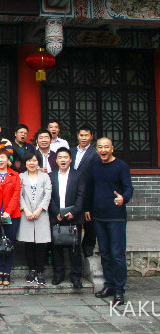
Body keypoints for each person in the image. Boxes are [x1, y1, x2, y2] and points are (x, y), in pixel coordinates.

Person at [92, 137, 133, 306]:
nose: (103, 150)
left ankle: (119, 289)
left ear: (112, 149)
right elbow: (90, 187)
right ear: (97, 150)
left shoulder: (121, 166)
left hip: (116, 216)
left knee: (117, 254)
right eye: (100, 147)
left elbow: (129, 188)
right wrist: (88, 209)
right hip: (98, 216)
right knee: (105, 253)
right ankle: (109, 285)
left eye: (106, 147)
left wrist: (123, 198)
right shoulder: (94, 165)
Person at [48, 147, 85, 288]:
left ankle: (76, 277)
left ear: (70, 159)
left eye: (65, 157)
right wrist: (56, 211)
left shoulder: (78, 175)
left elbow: (81, 195)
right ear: (56, 160)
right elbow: (49, 197)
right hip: (56, 217)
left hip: (73, 217)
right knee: (56, 247)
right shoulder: (51, 176)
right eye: (60, 157)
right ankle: (58, 274)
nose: (63, 160)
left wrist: (74, 212)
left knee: (74, 248)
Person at [17, 152, 52, 285]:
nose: (32, 163)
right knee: (29, 244)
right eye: (29, 161)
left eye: (34, 160)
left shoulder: (45, 177)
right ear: (25, 163)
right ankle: (31, 270)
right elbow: (19, 195)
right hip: (26, 213)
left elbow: (48, 194)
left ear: (38, 162)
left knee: (41, 245)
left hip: (41, 213)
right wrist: (25, 209)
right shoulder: (21, 177)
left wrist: (39, 210)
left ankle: (40, 271)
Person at [0, 149, 21, 286]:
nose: (0, 160)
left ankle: (7, 272)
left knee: (9, 244)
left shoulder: (15, 175)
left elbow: (16, 195)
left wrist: (7, 211)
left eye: (3, 157)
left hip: (12, 215)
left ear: (9, 160)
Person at [71, 125, 99, 258]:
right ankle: (72, 242)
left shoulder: (95, 152)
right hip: (72, 189)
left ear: (91, 137)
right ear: (78, 136)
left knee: (89, 220)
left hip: (88, 189)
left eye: (86, 135)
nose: (83, 138)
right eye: (81, 135)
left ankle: (88, 246)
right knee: (73, 216)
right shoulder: (71, 151)